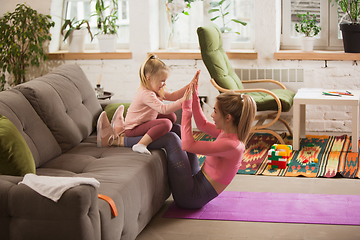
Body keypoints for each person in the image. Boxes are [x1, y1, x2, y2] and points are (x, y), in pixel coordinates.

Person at [101, 72, 257, 209]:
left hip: (191, 197)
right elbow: (202, 124)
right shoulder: (229, 132)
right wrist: (194, 94)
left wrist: (187, 108)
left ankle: (116, 140)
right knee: (175, 129)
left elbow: (188, 145)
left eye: (215, 111)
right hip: (197, 179)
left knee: (171, 139)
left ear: (228, 118)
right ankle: (125, 135)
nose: (212, 115)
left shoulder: (231, 145)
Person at [97, 53, 200, 155]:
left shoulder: (155, 89)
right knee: (166, 123)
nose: (164, 84)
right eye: (162, 80)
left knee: (171, 117)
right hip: (133, 129)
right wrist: (183, 101)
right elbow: (163, 109)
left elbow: (173, 95)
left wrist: (190, 85)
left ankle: (154, 133)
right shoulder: (146, 94)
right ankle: (141, 144)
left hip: (144, 122)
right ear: (149, 78)